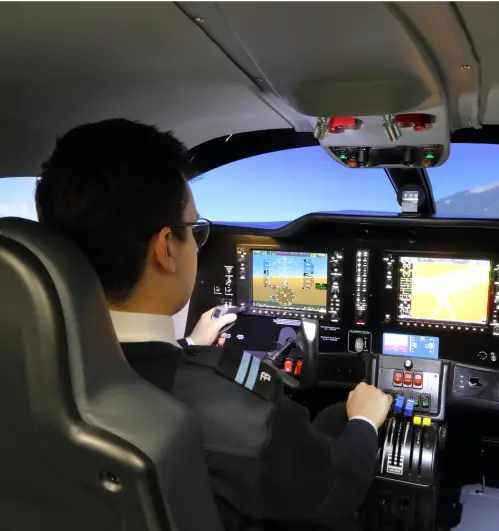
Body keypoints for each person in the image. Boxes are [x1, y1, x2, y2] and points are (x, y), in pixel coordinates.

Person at [35, 119, 393, 530]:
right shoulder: (236, 410)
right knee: (336, 417)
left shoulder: (21, 368)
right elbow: (338, 487)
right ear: (166, 249)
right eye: (195, 231)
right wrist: (365, 420)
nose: (197, 244)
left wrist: (187, 348)